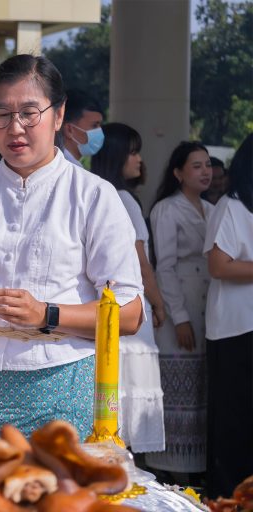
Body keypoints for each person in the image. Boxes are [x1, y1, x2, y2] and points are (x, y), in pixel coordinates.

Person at [0, 54, 143, 448]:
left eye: (29, 112)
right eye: (1, 114)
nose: (15, 128)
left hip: (65, 382)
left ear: (58, 115)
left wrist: (46, 314)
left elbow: (129, 314)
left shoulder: (94, 195)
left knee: (61, 501)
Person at [90, 122, 166, 454]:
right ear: (117, 156)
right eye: (133, 152)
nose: (139, 160)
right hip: (131, 305)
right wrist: (159, 303)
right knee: (128, 385)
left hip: (114, 309)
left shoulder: (103, 194)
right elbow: (141, 262)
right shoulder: (122, 199)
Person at [145, 141, 214, 480]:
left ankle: (196, 467)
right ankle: (170, 469)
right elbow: (165, 268)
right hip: (180, 303)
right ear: (178, 172)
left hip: (208, 303)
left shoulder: (213, 209)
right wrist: (180, 317)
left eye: (208, 165)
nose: (205, 171)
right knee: (177, 389)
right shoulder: (167, 210)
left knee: (200, 387)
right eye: (196, 165)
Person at [203, 133, 253, 499]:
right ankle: (227, 498)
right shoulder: (231, 206)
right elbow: (219, 266)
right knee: (235, 420)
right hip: (236, 328)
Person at [59, 89, 105, 168]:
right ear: (69, 130)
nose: (100, 131)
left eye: (100, 125)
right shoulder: (66, 170)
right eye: (94, 125)